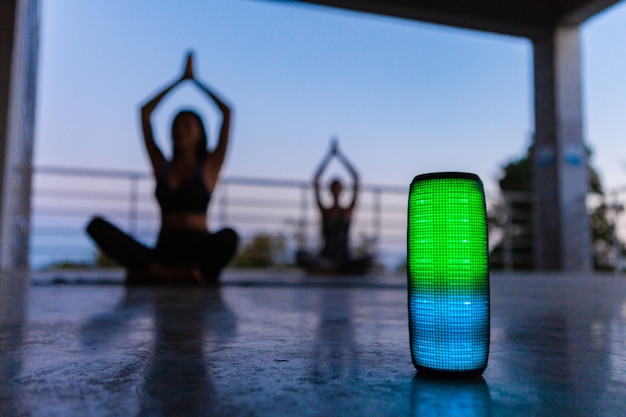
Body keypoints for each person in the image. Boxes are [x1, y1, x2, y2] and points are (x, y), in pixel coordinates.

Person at [86, 53, 238, 285]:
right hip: (165, 248)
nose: (180, 130)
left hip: (198, 248)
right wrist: (178, 80)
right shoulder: (162, 166)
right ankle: (180, 276)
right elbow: (145, 113)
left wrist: (194, 81)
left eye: (188, 125)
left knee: (229, 237)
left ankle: (157, 274)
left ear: (200, 133)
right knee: (96, 226)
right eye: (176, 125)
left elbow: (227, 112)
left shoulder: (209, 166)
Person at [296, 140, 373, 274]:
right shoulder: (325, 211)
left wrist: (340, 156)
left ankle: (329, 271)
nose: (336, 190)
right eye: (333, 187)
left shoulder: (348, 211)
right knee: (300, 255)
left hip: (345, 259)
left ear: (342, 190)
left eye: (338, 187)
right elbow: (316, 180)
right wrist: (329, 156)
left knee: (370, 260)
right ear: (330, 190)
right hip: (326, 258)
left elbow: (356, 178)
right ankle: (333, 270)